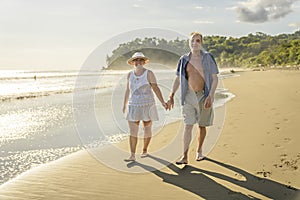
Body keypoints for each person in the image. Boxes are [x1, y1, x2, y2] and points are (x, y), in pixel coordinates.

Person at [167, 32, 219, 164]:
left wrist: (211, 96)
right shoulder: (183, 59)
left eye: (197, 41)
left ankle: (199, 151)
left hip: (204, 95)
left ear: (201, 43)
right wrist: (172, 94)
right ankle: (184, 156)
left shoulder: (208, 58)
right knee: (188, 125)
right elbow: (178, 79)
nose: (194, 43)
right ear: (189, 43)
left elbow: (214, 78)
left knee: (202, 126)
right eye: (192, 41)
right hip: (188, 96)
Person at [123, 52, 168, 161]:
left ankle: (144, 150)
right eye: (136, 60)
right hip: (133, 105)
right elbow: (128, 90)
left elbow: (155, 88)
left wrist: (162, 102)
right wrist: (124, 105)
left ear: (143, 62)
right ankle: (132, 155)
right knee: (133, 131)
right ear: (133, 62)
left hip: (147, 104)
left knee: (147, 128)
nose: (138, 62)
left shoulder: (149, 73)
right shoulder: (129, 74)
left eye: (140, 60)